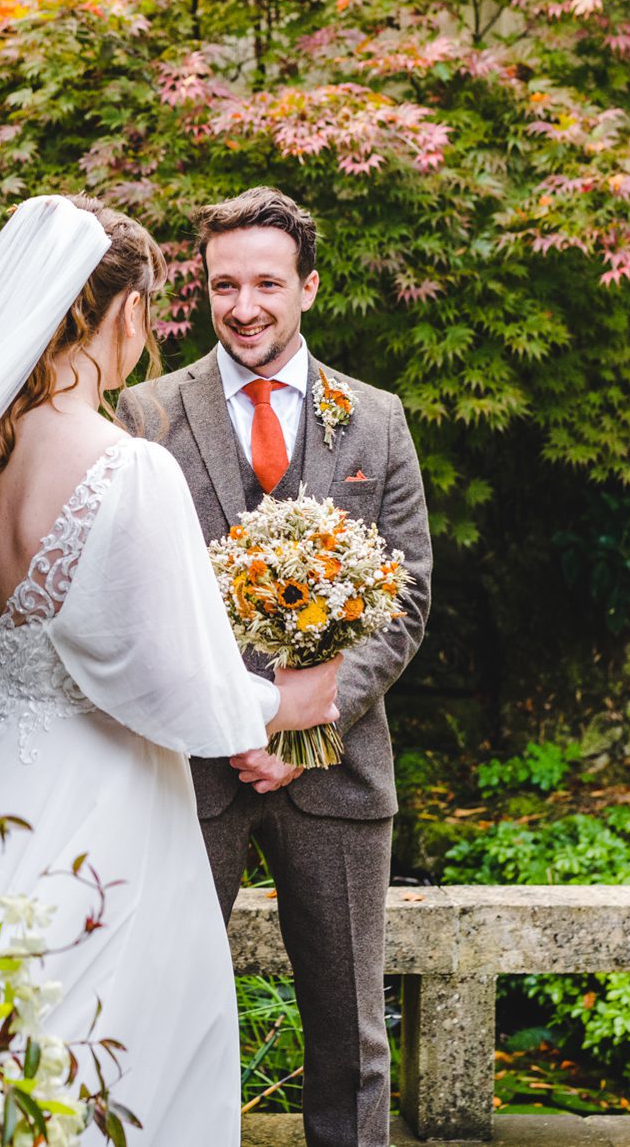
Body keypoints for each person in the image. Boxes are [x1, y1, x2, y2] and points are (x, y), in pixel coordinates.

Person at [0, 195, 343, 1145]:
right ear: (126, 314)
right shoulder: (125, 469)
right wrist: (292, 697)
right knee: (101, 1060)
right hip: (107, 813)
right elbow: (185, 693)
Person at [118, 187, 433, 1147]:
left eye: (265, 283)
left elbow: (409, 593)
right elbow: (131, 593)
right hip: (189, 776)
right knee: (166, 1021)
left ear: (308, 289)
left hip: (335, 776)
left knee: (349, 1039)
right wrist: (237, 717)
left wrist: (313, 712)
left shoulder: (373, 420)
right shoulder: (145, 413)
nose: (243, 306)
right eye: (223, 286)